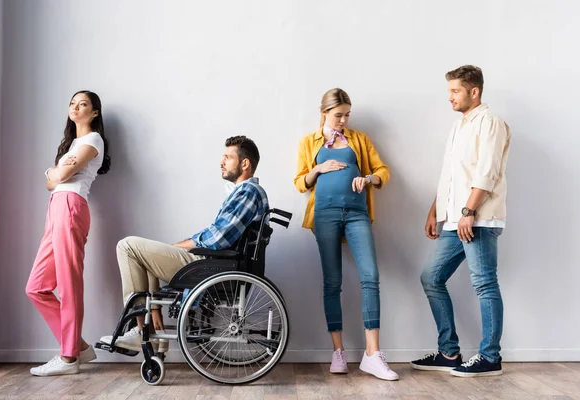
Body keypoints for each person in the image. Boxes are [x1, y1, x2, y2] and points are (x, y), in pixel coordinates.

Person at [99, 135, 269, 352]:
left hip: (213, 265)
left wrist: (183, 245)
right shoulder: (243, 193)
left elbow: (218, 238)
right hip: (215, 262)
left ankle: (140, 332)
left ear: (245, 163)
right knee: (144, 256)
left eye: (227, 157)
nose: (221, 162)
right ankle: (152, 330)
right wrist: (182, 245)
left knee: (128, 246)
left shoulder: (248, 192)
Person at [411, 65, 511, 377]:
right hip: (455, 219)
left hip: (478, 218)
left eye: (455, 91)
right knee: (431, 277)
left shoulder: (491, 123)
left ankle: (490, 356)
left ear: (474, 91)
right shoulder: (459, 127)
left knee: (484, 283)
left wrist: (468, 211)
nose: (450, 98)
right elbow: (451, 177)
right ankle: (449, 352)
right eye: (449, 91)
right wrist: (435, 211)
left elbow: (487, 172)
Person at [294, 88, 397, 380]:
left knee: (370, 277)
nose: (343, 120)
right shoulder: (309, 142)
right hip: (324, 216)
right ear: (324, 113)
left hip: (357, 214)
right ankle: (337, 351)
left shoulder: (360, 140)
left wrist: (368, 178)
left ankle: (372, 354)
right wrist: (319, 168)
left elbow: (383, 170)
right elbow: (300, 182)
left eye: (347, 115)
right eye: (338, 115)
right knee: (332, 282)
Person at [26, 90, 111, 376]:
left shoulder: (92, 140)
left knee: (68, 282)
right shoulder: (73, 144)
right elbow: (52, 183)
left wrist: (53, 171)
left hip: (71, 206)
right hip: (57, 208)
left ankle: (68, 358)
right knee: (36, 287)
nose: (75, 107)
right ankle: (78, 347)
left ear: (95, 113)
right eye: (72, 103)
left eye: (83, 104)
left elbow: (58, 178)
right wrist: (55, 173)